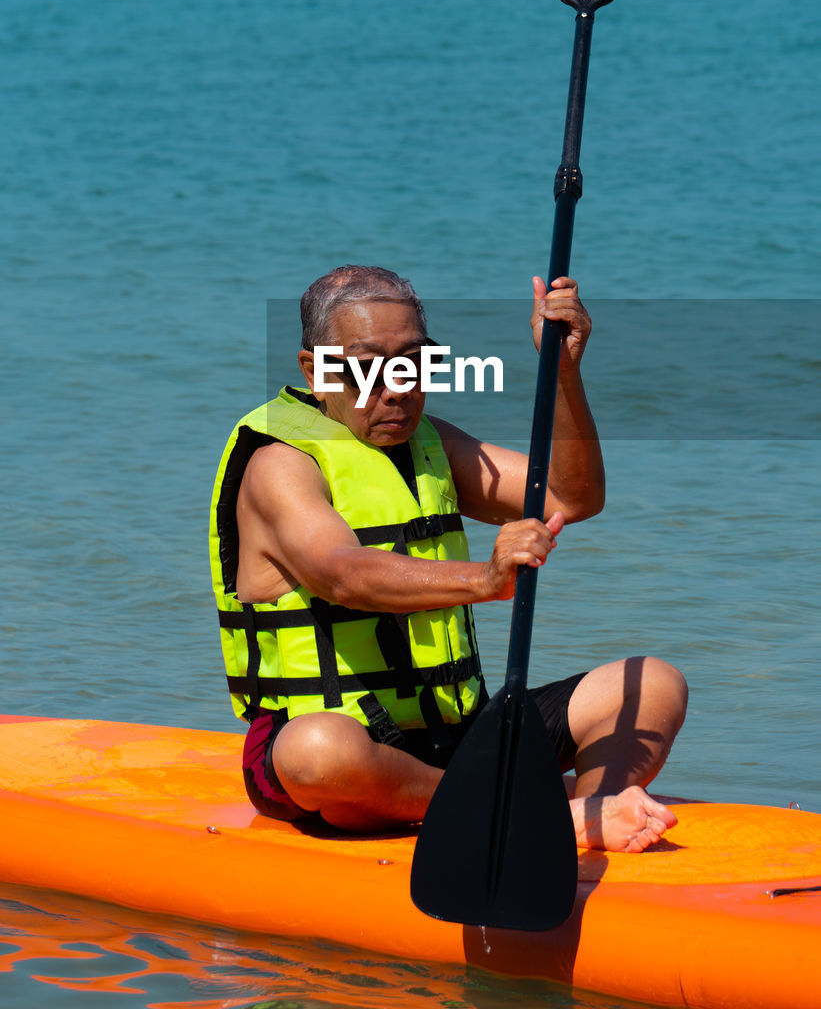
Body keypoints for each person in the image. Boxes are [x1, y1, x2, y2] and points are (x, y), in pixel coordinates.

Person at [209, 265, 687, 852]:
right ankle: (540, 814)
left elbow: (573, 496)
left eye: (412, 364)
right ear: (316, 370)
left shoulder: (431, 445)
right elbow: (345, 574)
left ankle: (595, 811)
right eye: (364, 367)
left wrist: (560, 371)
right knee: (317, 754)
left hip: (458, 738)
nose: (395, 388)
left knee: (652, 684)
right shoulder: (280, 466)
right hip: (344, 746)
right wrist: (486, 578)